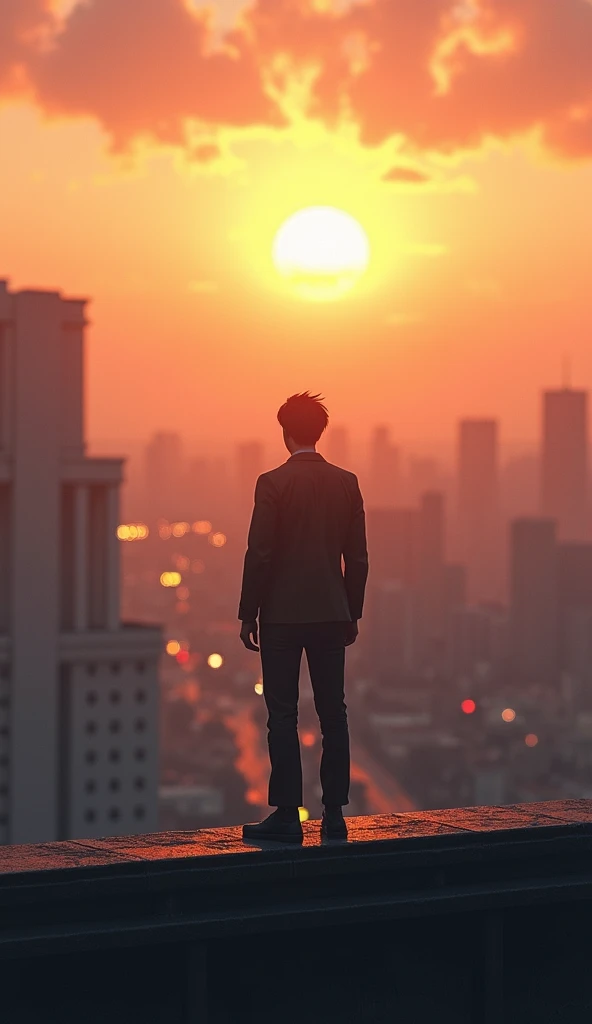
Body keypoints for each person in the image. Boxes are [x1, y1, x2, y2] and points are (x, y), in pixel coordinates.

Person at [239, 392, 368, 842]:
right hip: (332, 615)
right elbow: (358, 559)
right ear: (319, 431)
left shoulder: (272, 483)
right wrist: (351, 612)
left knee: (282, 715)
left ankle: (287, 817)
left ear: (285, 432)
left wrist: (247, 612)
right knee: (334, 713)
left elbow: (260, 554)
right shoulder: (347, 482)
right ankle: (334, 815)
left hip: (280, 617)